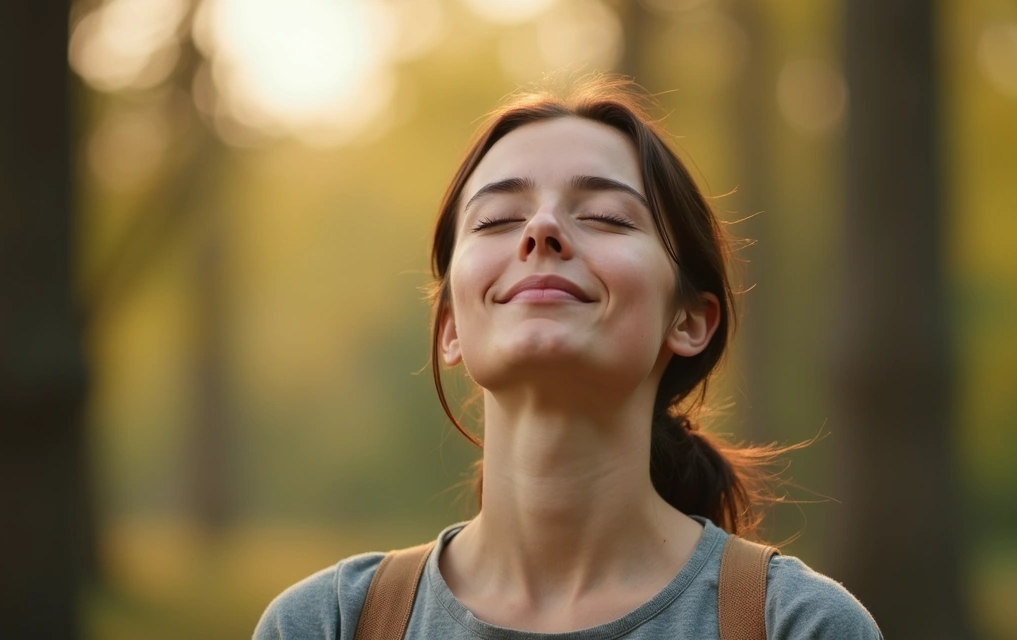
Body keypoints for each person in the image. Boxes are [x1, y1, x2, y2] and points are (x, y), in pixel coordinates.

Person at [254, 75, 882, 639]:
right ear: (448, 327)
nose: (542, 229)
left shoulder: (797, 626)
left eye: (607, 217)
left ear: (689, 320)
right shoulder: (325, 624)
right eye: (497, 218)